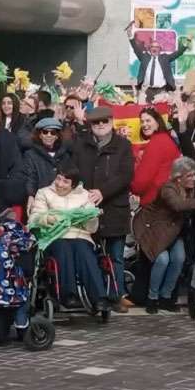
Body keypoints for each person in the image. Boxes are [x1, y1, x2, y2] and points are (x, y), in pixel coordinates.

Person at [67, 107, 135, 312]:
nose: (100, 125)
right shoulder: (81, 144)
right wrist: (82, 193)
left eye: (104, 121)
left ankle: (116, 295)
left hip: (114, 207)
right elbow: (73, 171)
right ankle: (96, 295)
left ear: (112, 122)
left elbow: (126, 175)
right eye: (96, 122)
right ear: (90, 125)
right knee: (90, 254)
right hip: (86, 207)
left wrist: (103, 192)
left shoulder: (123, 145)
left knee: (115, 255)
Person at [132, 157, 195, 314]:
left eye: (194, 175)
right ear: (179, 177)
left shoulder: (191, 188)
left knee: (179, 258)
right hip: (155, 231)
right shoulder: (167, 188)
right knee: (162, 260)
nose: (193, 178)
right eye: (189, 176)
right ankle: (152, 297)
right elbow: (178, 205)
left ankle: (166, 296)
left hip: (174, 231)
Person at [28, 158, 112, 311]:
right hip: (55, 236)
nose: (60, 184)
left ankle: (100, 297)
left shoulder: (85, 196)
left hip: (80, 235)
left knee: (84, 252)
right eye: (58, 179)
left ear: (73, 185)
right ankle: (68, 295)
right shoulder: (44, 193)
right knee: (63, 248)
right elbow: (34, 218)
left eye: (65, 182)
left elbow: (91, 229)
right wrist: (48, 218)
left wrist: (91, 217)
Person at [130, 108, 181, 208]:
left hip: (155, 202)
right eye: (142, 121)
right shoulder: (166, 139)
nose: (144, 124)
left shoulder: (157, 143)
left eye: (148, 120)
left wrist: (132, 188)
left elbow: (142, 180)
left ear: (158, 122)